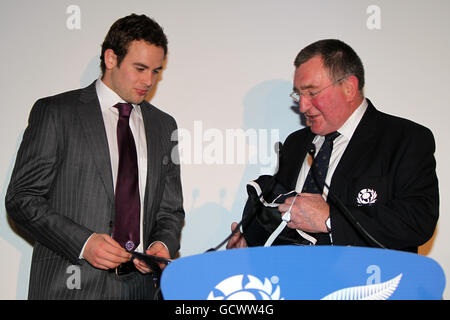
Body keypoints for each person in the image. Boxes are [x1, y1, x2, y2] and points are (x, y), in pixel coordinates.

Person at [5, 14, 185, 299]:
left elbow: (170, 210)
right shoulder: (57, 112)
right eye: (140, 68)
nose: (148, 80)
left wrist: (161, 245)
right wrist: (84, 243)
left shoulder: (165, 126)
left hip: (139, 290)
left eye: (156, 70)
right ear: (111, 58)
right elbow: (22, 198)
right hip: (68, 287)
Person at [227, 39, 439, 252]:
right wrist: (254, 249)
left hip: (365, 282)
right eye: (299, 94)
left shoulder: (404, 138)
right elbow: (283, 226)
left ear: (349, 88)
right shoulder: (296, 143)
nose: (302, 105)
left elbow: (417, 220)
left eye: (311, 92)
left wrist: (331, 220)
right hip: (292, 282)